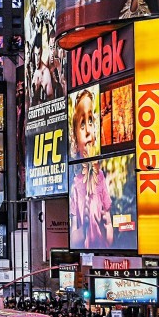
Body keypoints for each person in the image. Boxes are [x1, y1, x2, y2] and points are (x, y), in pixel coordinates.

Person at [69, 97, 114, 246]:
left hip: (102, 252)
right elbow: (73, 240)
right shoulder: (75, 185)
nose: (88, 130)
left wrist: (105, 224)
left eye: (90, 122)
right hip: (85, 254)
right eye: (82, 125)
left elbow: (110, 238)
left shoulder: (100, 177)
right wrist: (85, 226)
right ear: (75, 138)